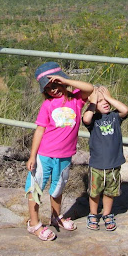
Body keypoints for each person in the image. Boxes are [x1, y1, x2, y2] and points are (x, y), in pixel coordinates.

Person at [25, 61, 94, 241]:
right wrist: (32, 156)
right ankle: (33, 223)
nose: (53, 89)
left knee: (58, 188)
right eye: (48, 88)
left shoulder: (76, 100)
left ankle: (56, 217)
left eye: (56, 84)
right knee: (36, 188)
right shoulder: (47, 105)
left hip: (64, 156)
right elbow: (39, 130)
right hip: (44, 154)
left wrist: (66, 80)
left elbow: (90, 88)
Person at [82, 85, 128, 232]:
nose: (105, 103)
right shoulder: (94, 119)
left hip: (114, 163)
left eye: (107, 100)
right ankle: (93, 214)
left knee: (110, 191)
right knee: (94, 192)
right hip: (97, 164)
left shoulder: (115, 117)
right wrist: (93, 102)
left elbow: (125, 110)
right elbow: (86, 118)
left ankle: (107, 214)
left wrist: (108, 98)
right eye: (100, 101)